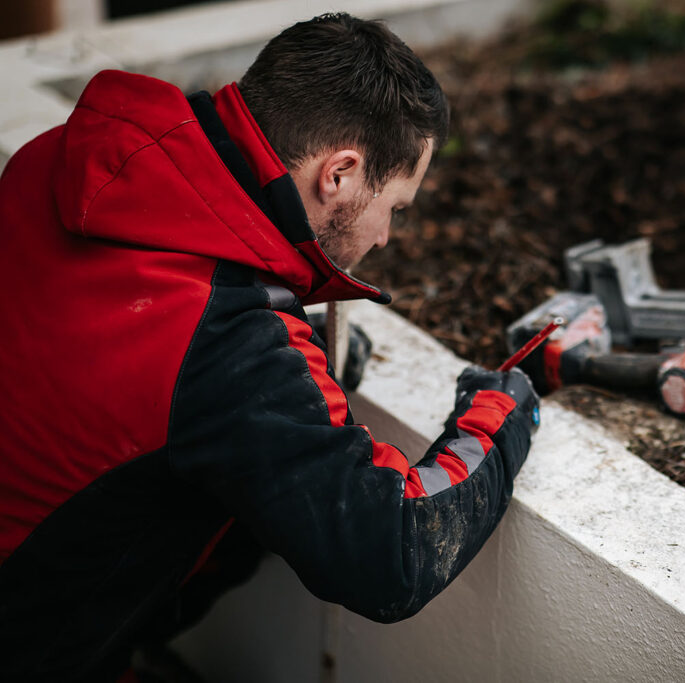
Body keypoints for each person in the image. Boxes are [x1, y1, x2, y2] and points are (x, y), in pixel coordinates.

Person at [0, 13, 540, 682]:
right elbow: (390, 551)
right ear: (338, 174)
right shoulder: (226, 337)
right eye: (396, 207)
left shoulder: (55, 157)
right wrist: (501, 414)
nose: (385, 239)